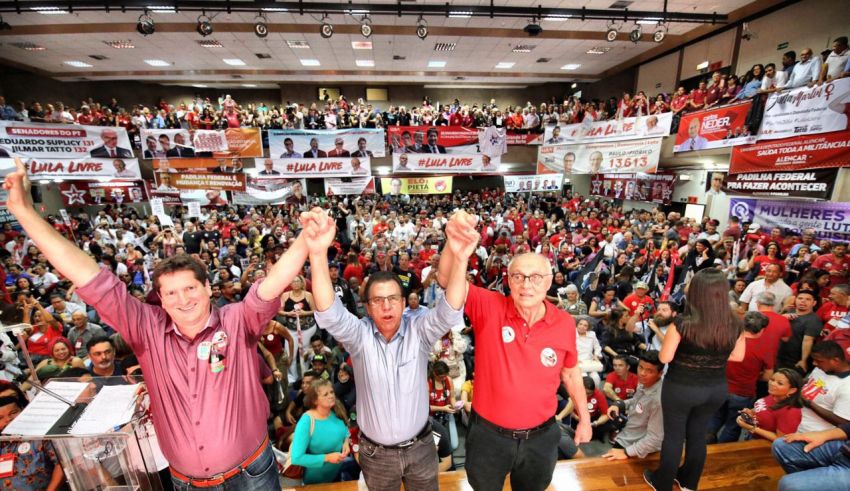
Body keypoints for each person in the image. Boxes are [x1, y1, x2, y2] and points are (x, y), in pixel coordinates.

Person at [2, 156, 312, 489]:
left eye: (191, 288)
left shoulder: (237, 321)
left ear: (208, 288)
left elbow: (272, 284)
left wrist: (307, 238)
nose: (184, 299)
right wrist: (24, 212)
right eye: (172, 293)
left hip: (251, 474)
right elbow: (87, 274)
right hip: (187, 482)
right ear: (160, 299)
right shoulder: (145, 328)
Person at [307, 207, 476, 491]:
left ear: (403, 302)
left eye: (393, 299)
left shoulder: (419, 331)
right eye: (378, 300)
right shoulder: (359, 336)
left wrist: (460, 257)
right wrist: (317, 253)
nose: (386, 306)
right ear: (368, 306)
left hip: (421, 448)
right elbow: (327, 311)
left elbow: (449, 311)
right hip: (377, 454)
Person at [436, 239, 591, 491]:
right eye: (518, 276)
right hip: (489, 437)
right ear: (508, 280)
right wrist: (454, 245)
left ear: (549, 282)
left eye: (536, 277)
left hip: (540, 438)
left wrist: (584, 418)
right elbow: (445, 280)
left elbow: (571, 373)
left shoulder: (564, 323)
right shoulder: (489, 306)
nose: (526, 284)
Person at [646, 268, 746, 491]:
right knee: (698, 435)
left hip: (681, 387)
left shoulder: (683, 323)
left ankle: (661, 483)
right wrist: (714, 355)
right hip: (716, 388)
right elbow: (738, 356)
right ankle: (689, 482)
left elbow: (665, 356)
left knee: (673, 437)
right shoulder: (735, 323)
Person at [602, 350, 666, 461]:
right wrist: (620, 404)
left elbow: (655, 439)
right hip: (627, 436)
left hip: (638, 448)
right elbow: (636, 401)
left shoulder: (658, 400)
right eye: (640, 367)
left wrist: (627, 452)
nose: (642, 373)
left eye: (649, 371)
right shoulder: (644, 383)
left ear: (660, 373)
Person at [0, 382, 65, 490]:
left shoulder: (39, 436)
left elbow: (61, 464)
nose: (8, 419)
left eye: (13, 412)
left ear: (23, 410)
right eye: (0, 418)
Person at [289, 379, 353, 485]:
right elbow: (296, 458)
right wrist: (327, 458)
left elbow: (345, 428)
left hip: (335, 477)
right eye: (325, 394)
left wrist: (345, 441)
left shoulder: (336, 411)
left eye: (332, 392)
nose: (331, 396)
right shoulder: (307, 421)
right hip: (314, 483)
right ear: (315, 400)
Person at [736, 368, 803, 442]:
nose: (772, 383)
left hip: (762, 445)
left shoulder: (791, 411)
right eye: (772, 379)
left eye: (779, 383)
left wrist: (752, 428)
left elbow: (781, 440)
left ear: (792, 390)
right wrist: (751, 412)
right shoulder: (774, 395)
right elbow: (765, 409)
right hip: (752, 437)